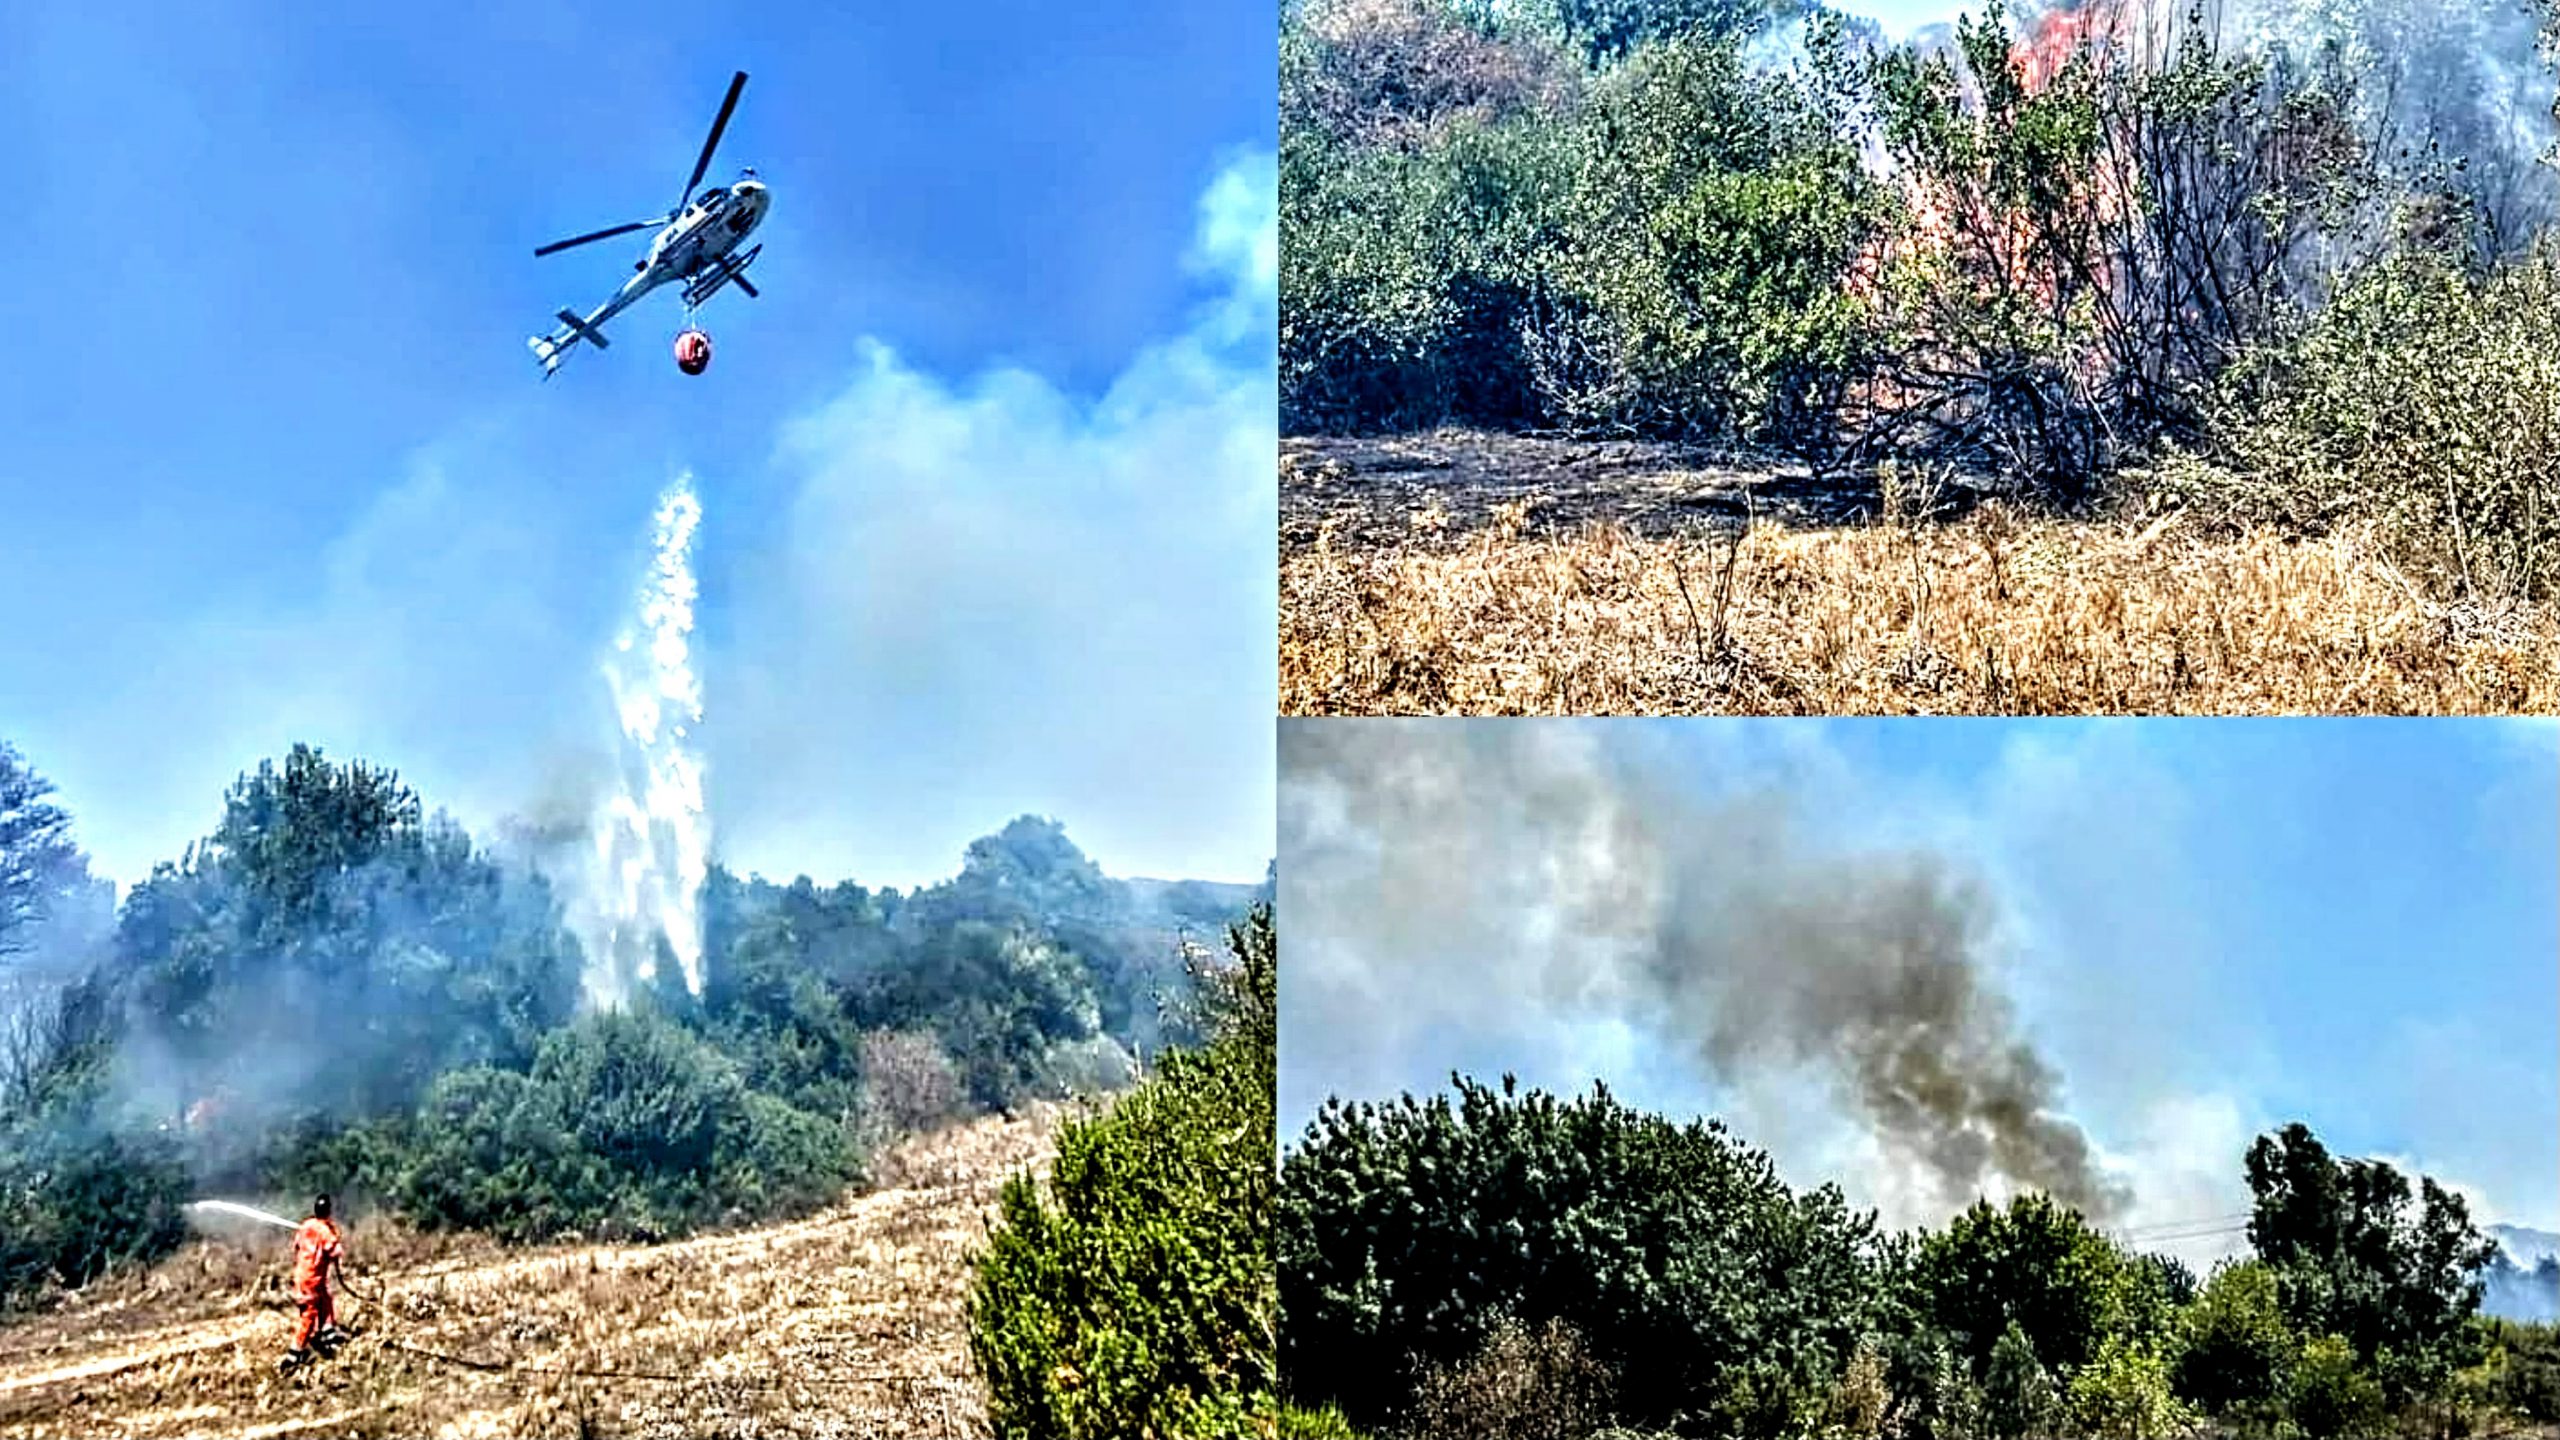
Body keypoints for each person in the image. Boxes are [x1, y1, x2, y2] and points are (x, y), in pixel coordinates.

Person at [277, 1194, 349, 1373]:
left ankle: (327, 1334)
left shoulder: (306, 1225)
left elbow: (297, 1246)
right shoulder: (324, 1230)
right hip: (313, 1278)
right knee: (309, 1315)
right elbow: (335, 1251)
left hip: (303, 1275)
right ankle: (294, 1354)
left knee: (325, 1299)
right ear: (329, 1211)